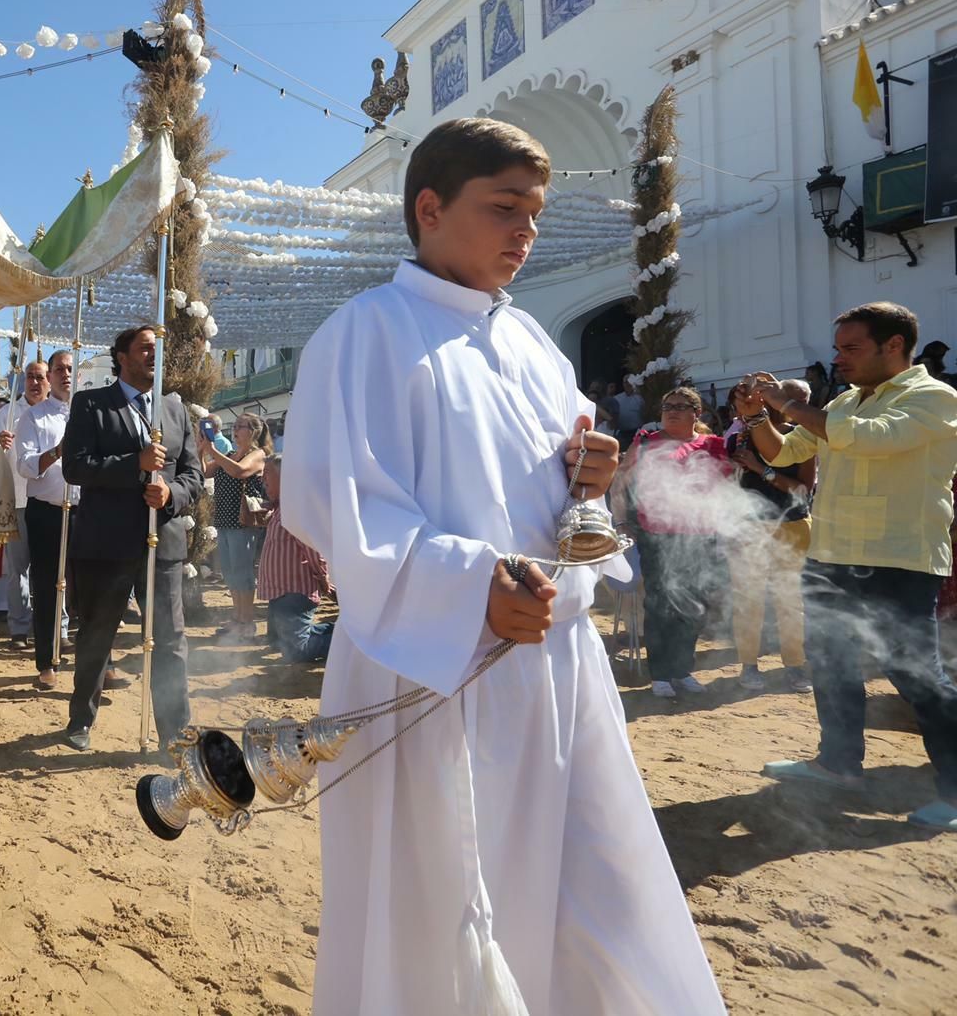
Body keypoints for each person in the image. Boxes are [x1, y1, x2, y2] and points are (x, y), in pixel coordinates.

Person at [281, 118, 723, 1014]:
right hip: (433, 671)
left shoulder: (533, 346)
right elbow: (339, 505)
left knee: (597, 901)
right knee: (439, 920)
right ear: (431, 208)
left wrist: (591, 480)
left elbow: (569, 503)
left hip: (557, 669)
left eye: (536, 214)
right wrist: (472, 585)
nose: (527, 232)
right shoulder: (364, 333)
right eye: (505, 209)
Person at [737, 302, 957, 833]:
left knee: (915, 674)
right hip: (832, 554)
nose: (839, 359)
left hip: (899, 557)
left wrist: (788, 404)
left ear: (895, 346)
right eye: (838, 349)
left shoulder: (935, 397)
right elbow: (784, 452)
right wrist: (755, 416)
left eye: (851, 348)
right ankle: (838, 764)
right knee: (831, 662)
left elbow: (871, 437)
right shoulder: (844, 401)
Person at [60, 325, 204, 752]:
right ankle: (80, 719)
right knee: (97, 634)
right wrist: (134, 465)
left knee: (171, 640)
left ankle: (176, 734)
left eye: (157, 348)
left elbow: (192, 475)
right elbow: (75, 467)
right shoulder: (91, 405)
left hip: (164, 544)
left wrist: (171, 495)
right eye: (145, 348)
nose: (153, 355)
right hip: (106, 544)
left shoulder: (175, 411)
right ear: (121, 357)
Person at [622, 386, 729, 699]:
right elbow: (624, 481)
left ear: (697, 414)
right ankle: (660, 674)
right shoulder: (646, 443)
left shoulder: (714, 445)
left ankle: (682, 670)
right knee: (659, 605)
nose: (672, 411)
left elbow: (724, 488)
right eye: (668, 405)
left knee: (692, 608)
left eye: (681, 406)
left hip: (699, 535)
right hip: (657, 535)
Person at [725, 379, 815, 693]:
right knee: (748, 600)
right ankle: (749, 666)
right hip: (749, 527)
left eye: (805, 399)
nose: (800, 406)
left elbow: (802, 492)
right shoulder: (741, 437)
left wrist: (762, 470)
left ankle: (794, 666)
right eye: (793, 399)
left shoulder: (802, 437)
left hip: (791, 525)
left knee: (790, 601)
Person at [15, 349, 79, 687]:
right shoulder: (33, 418)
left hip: (86, 512)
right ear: (49, 376)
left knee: (91, 586)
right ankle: (46, 662)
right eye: (59, 369)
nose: (66, 374)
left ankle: (99, 661)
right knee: (45, 585)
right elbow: (24, 465)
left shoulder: (89, 414)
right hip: (46, 512)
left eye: (71, 368)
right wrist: (57, 452)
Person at [202, 412, 272, 643]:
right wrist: (203, 448)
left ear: (253, 431)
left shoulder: (258, 454)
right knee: (231, 572)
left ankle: (247, 621)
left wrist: (213, 451)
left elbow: (239, 471)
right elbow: (205, 471)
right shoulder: (230, 453)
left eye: (240, 426)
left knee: (242, 572)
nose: (235, 429)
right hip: (225, 520)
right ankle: (237, 617)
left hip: (243, 522)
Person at [257, 454, 333, 664]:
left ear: (285, 479)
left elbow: (313, 549)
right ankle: (331, 633)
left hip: (294, 590)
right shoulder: (281, 507)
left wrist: (323, 577)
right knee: (278, 641)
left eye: (267, 478)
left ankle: (342, 640)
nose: (264, 483)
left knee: (296, 652)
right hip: (281, 591)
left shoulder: (296, 510)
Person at [0, 361, 48, 648]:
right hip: (19, 499)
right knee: (18, 568)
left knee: (49, 569)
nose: (34, 382)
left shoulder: (58, 413)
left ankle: (50, 628)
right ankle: (18, 628)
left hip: (50, 500)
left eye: (40, 377)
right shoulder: (7, 412)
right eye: (30, 377)